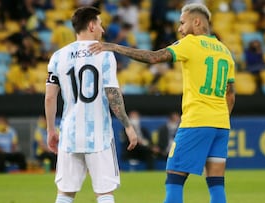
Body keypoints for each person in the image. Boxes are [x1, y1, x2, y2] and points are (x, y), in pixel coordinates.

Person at [90, 3, 236, 203]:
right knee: (216, 183)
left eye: (182, 23)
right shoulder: (225, 51)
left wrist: (114, 47)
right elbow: (231, 95)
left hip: (196, 121)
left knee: (174, 179)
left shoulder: (191, 43)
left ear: (197, 21)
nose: (180, 29)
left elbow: (153, 57)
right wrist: (219, 118)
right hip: (221, 125)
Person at [44, 6, 138, 203]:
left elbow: (50, 98)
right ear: (92, 25)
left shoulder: (58, 56)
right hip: (99, 134)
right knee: (104, 193)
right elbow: (113, 94)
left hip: (69, 134)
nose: (103, 30)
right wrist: (128, 126)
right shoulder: (104, 54)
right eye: (101, 25)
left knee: (65, 193)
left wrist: (51, 130)